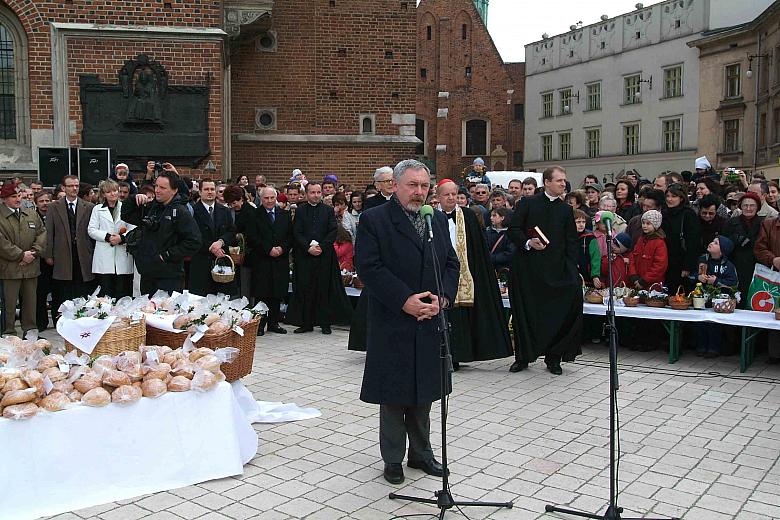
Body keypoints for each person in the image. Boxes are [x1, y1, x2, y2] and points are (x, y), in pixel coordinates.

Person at [356, 159, 459, 485]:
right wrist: (405, 301)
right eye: (412, 185)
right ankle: (393, 459)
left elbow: (451, 264)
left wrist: (442, 299)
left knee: (424, 391)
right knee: (394, 394)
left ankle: (421, 453)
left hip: (430, 320)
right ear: (395, 186)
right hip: (393, 320)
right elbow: (370, 268)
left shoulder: (436, 220)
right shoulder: (375, 220)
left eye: (424, 186)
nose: (419, 192)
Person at [508, 166, 582, 375]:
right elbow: (513, 230)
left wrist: (572, 270)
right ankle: (522, 357)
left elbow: (571, 243)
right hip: (528, 271)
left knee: (559, 313)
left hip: (556, 272)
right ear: (547, 182)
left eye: (564, 180)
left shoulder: (566, 210)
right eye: (559, 180)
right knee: (526, 314)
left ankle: (554, 357)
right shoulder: (528, 204)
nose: (563, 184)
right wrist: (528, 242)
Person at [436, 180, 512, 368]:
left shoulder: (468, 216)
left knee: (461, 316)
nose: (451, 198)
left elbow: (478, 249)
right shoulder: (429, 216)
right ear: (438, 197)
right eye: (447, 194)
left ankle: (459, 355)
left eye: (454, 194)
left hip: (464, 272)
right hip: (438, 272)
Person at [121, 168, 201, 295]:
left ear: (174, 191)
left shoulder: (180, 212)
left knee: (167, 313)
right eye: (156, 186)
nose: (157, 190)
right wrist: (133, 198)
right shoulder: (150, 207)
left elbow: (194, 241)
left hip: (169, 277)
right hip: (147, 274)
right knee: (147, 312)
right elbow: (126, 215)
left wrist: (168, 255)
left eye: (163, 188)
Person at [287, 182, 352, 334]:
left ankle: (325, 323)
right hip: (305, 256)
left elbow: (332, 230)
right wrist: (308, 247)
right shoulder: (301, 210)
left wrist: (321, 246)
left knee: (324, 289)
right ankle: (306, 323)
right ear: (307, 193)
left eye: (318, 192)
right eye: (312, 192)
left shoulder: (328, 210)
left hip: (324, 256)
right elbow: (297, 231)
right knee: (306, 289)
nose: (316, 195)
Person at [44, 175, 96, 321]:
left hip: (83, 253)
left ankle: (81, 318)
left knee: (81, 286)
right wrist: (48, 254)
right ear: (64, 188)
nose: (74, 188)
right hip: (62, 253)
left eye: (76, 186)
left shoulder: (88, 207)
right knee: (63, 287)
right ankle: (61, 319)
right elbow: (49, 231)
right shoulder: (54, 207)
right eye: (71, 186)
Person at [0, 182, 46, 336]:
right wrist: (21, 255)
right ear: (4, 198)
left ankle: (30, 332)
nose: (18, 199)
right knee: (9, 304)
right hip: (9, 269)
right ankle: (9, 333)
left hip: (30, 267)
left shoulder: (31, 213)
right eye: (14, 196)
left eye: (19, 195)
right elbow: (2, 243)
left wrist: (33, 252)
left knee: (30, 302)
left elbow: (42, 233)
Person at [188, 178, 237, 296]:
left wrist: (221, 242)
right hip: (201, 263)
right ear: (199, 192)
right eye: (206, 189)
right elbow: (191, 235)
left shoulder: (225, 211)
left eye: (212, 189)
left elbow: (232, 231)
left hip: (222, 263)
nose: (210, 192)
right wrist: (211, 247)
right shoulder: (192, 211)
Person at [87, 180, 135, 299]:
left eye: (115, 191)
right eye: (109, 192)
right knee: (106, 294)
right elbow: (92, 230)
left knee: (122, 293)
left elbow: (133, 228)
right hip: (104, 256)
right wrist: (107, 237)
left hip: (122, 253)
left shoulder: (126, 207)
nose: (113, 194)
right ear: (103, 194)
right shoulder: (97, 209)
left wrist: (122, 238)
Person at [695, 237, 738, 358]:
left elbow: (733, 283)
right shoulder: (702, 260)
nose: (711, 243)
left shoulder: (728, 265)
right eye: (712, 241)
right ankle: (701, 346)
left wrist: (716, 281)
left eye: (715, 243)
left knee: (715, 324)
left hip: (720, 301)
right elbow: (694, 274)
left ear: (722, 250)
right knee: (701, 322)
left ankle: (714, 348)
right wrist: (698, 278)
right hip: (702, 297)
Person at [721, 192, 764, 307]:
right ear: (740, 206)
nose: (748, 208)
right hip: (736, 265)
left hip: (756, 265)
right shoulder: (731, 223)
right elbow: (723, 244)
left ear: (757, 207)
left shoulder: (763, 223)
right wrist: (734, 240)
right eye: (745, 205)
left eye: (752, 205)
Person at [662, 183, 701, 292]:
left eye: (674, 196)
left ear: (681, 198)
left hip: (681, 260)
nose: (669, 199)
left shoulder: (688, 214)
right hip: (666, 260)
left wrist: (687, 266)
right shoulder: (664, 214)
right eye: (668, 196)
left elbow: (693, 242)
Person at [33, 190, 53, 330]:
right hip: (39, 260)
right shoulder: (32, 217)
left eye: (47, 201)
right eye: (41, 201)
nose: (45, 204)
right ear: (36, 203)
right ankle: (41, 322)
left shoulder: (55, 214)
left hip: (55, 259)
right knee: (40, 294)